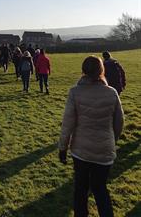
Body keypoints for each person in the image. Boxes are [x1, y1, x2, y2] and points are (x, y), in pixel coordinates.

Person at [58, 56, 124, 217]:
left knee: (80, 189)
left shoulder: (75, 92)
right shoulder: (112, 92)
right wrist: (111, 140)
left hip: (81, 151)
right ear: (101, 70)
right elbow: (119, 122)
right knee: (100, 189)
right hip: (105, 150)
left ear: (83, 71)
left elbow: (68, 123)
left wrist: (62, 148)